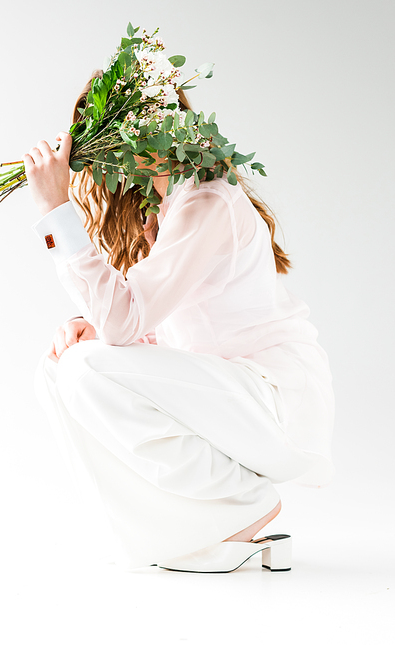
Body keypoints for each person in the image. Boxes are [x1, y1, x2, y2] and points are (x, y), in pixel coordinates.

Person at [23, 71, 335, 573]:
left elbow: (130, 326)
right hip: (222, 399)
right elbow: (159, 330)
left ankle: (243, 506)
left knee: (86, 370)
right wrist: (98, 328)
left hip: (272, 399)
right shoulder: (162, 207)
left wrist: (56, 212)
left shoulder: (208, 198)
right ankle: (187, 528)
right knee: (57, 368)